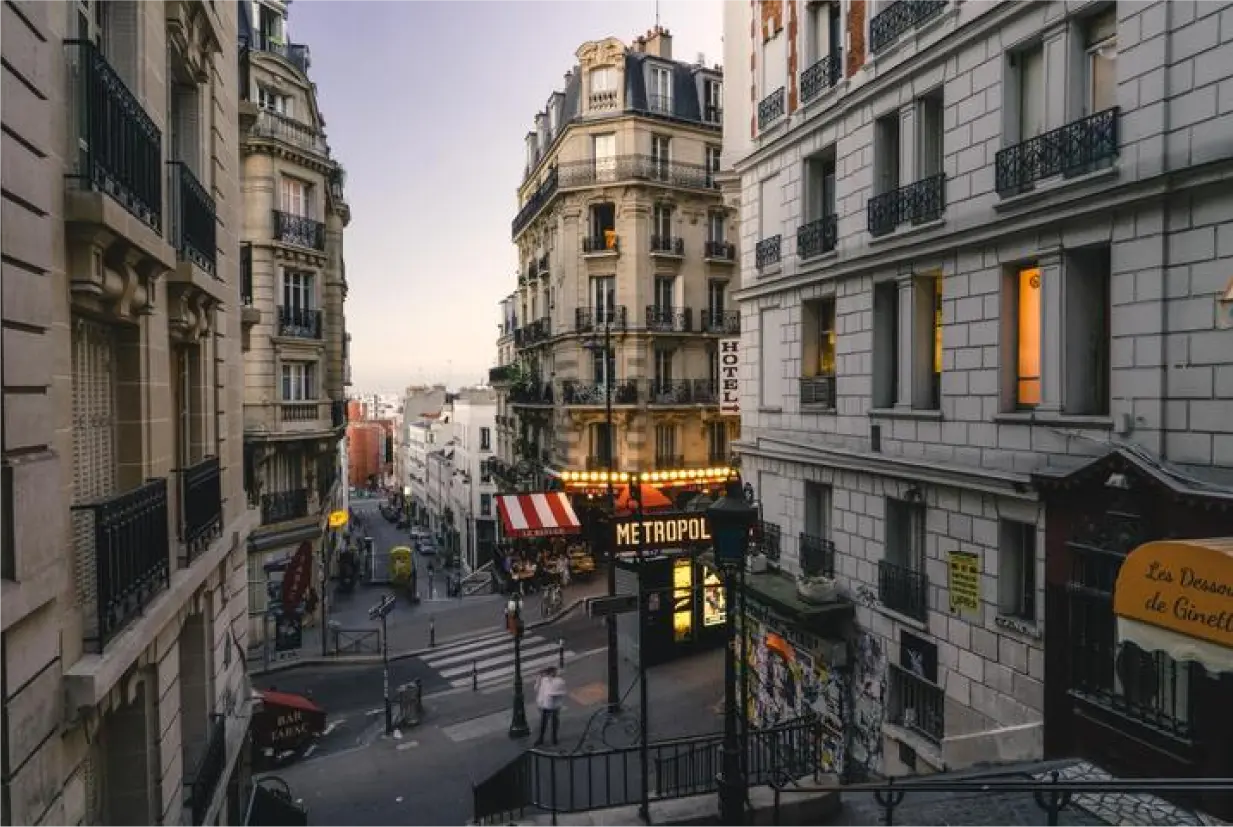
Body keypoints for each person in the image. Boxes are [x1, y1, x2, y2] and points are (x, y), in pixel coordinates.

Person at [533, 667, 567, 747]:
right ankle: (541, 738)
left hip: (554, 705)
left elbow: (562, 692)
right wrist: (538, 679)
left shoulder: (559, 681)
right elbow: (537, 689)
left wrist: (553, 694)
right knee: (543, 722)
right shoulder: (544, 680)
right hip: (545, 704)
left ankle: (554, 738)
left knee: (554, 721)